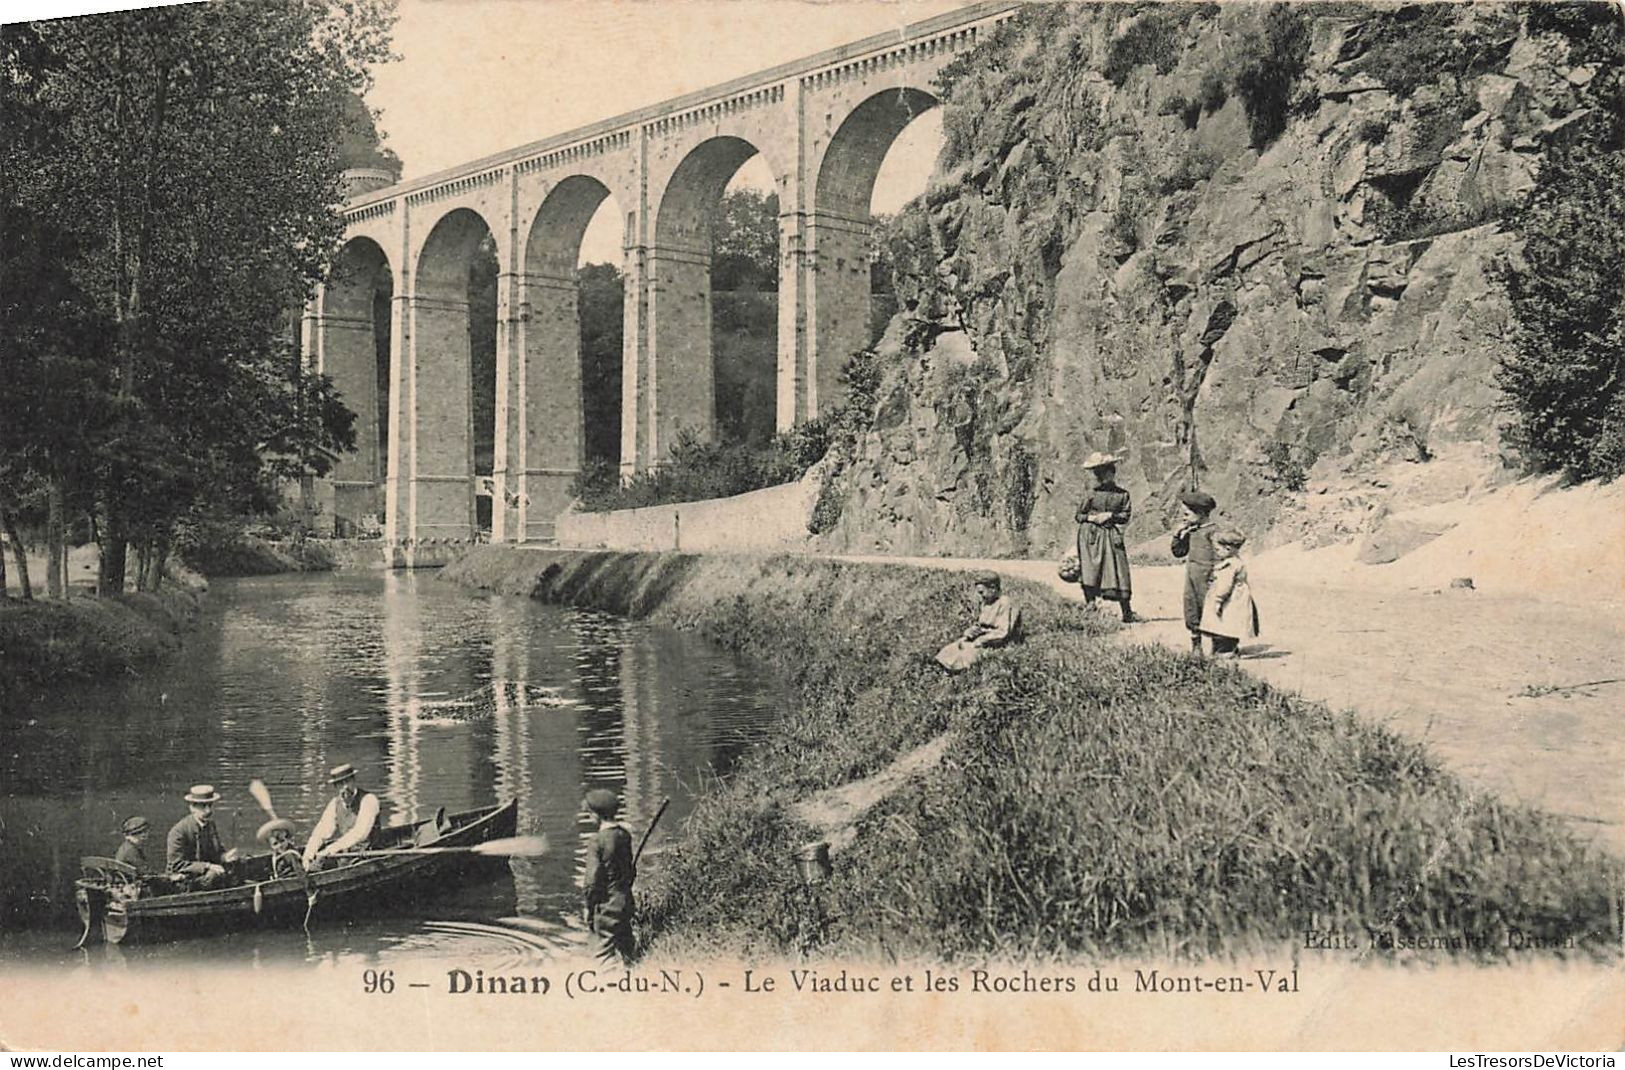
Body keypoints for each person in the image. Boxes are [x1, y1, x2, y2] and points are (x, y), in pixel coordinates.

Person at [1075, 452, 1136, 622]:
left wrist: (1111, 515)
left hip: (1111, 534)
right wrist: (1092, 518)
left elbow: (1125, 515)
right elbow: (1079, 515)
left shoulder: (1122, 494)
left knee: (1119, 569)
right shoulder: (1090, 494)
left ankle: (1127, 611)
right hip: (1090, 536)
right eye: (1100, 474)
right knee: (1090, 569)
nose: (1103, 477)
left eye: (1108, 472)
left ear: (1113, 472)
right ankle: (1091, 606)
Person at [582, 788, 636, 966]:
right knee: (628, 950)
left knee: (602, 957)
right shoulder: (624, 835)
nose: (589, 817)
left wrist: (589, 908)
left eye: (589, 813)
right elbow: (630, 872)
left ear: (596, 815)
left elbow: (591, 882)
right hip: (626, 902)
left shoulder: (596, 841)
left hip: (607, 908)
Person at [934, 571, 1022, 672]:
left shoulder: (1005, 602)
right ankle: (946, 669)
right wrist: (971, 631)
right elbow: (980, 624)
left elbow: (1003, 632)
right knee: (952, 648)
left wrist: (981, 641)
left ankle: (957, 673)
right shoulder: (986, 603)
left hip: (997, 643)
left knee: (966, 654)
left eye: (982, 592)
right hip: (982, 639)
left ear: (993, 588)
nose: (981, 596)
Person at [302, 763, 380, 869]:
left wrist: (330, 849)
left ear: (353, 781)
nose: (345, 787)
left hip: (369, 855)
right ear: (336, 787)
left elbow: (360, 833)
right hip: (346, 855)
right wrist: (308, 854)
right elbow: (320, 833)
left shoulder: (369, 800)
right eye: (340, 784)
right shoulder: (335, 804)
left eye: (347, 781)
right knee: (315, 865)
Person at [1171, 490, 1219, 654]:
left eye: (1187, 514)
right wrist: (1177, 535)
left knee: (1211, 609)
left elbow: (1222, 554)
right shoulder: (1190, 532)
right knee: (1192, 607)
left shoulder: (1213, 532)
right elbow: (1178, 552)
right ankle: (1196, 646)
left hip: (1208, 577)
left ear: (1200, 513)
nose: (1184, 517)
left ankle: (1220, 646)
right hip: (1192, 577)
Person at [1200, 530, 1261, 658]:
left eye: (1218, 549)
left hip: (1231, 599)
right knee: (1232, 622)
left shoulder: (1229, 565)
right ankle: (1228, 647)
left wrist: (1217, 600)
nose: (1216, 552)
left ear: (1228, 549)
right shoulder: (1237, 561)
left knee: (1224, 622)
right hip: (1238, 597)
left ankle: (1225, 650)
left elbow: (1225, 586)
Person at [166, 785, 236, 888]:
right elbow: (176, 865)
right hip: (183, 880)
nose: (208, 811)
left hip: (204, 875)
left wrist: (224, 857)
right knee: (214, 875)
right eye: (203, 806)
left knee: (239, 864)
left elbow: (215, 853)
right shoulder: (178, 832)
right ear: (192, 807)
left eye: (210, 805)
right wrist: (208, 866)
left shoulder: (210, 825)